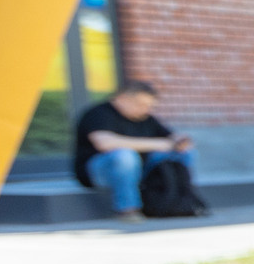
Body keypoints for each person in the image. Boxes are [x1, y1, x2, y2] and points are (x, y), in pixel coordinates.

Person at [71, 82, 191, 221]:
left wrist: (181, 141)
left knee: (183, 153)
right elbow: (105, 143)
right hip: (100, 172)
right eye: (140, 104)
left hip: (140, 169)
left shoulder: (146, 118)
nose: (146, 109)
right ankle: (128, 210)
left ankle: (179, 202)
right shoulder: (98, 113)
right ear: (122, 98)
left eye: (150, 106)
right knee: (124, 155)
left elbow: (170, 138)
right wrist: (158, 144)